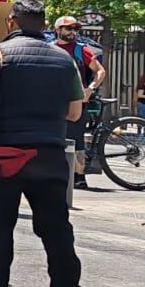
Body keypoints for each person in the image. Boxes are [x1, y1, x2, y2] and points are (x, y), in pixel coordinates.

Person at [0, 0, 84, 287]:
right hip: (50, 157)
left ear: (11, 22)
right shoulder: (64, 59)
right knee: (57, 230)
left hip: (4, 158)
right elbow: (74, 113)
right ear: (45, 25)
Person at [51, 16, 106, 190]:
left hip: (77, 101)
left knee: (77, 140)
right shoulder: (49, 49)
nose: (72, 32)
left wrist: (90, 89)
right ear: (58, 29)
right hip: (54, 101)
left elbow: (100, 71)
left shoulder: (81, 50)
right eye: (68, 28)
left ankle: (80, 177)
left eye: (75, 29)